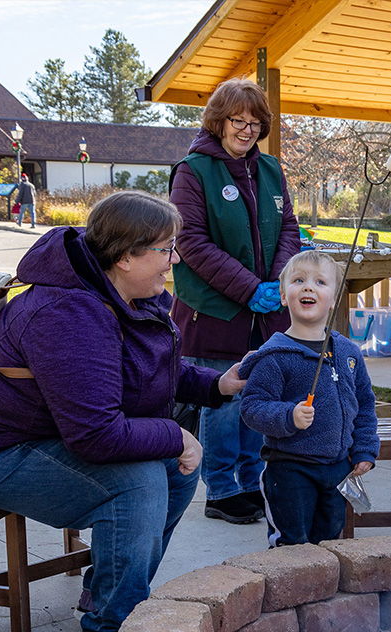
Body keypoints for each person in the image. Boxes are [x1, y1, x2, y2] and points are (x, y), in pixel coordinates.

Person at [0, 191, 248, 632]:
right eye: (165, 249)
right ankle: (113, 626)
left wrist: (217, 384)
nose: (175, 260)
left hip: (45, 436)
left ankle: (107, 594)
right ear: (125, 256)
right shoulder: (67, 314)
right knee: (139, 481)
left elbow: (147, 367)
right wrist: (176, 435)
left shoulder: (117, 291)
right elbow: (95, 436)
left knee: (176, 473)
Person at [170, 77, 301, 525]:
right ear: (219, 121)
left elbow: (288, 229)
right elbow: (191, 242)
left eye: (254, 122)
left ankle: (251, 481)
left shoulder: (270, 169)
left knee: (257, 396)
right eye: (236, 120)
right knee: (222, 403)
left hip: (265, 314)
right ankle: (221, 490)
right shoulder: (193, 171)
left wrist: (281, 280)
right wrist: (249, 288)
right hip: (215, 311)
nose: (246, 129)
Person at [239, 250, 380, 546]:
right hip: (290, 470)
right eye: (299, 280)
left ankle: (322, 591)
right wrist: (288, 416)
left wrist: (365, 449)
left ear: (335, 297)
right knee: (293, 545)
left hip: (339, 467)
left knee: (328, 541)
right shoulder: (274, 356)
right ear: (282, 295)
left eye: (320, 282)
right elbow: (252, 407)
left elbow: (364, 404)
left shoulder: (348, 352)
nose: (308, 287)